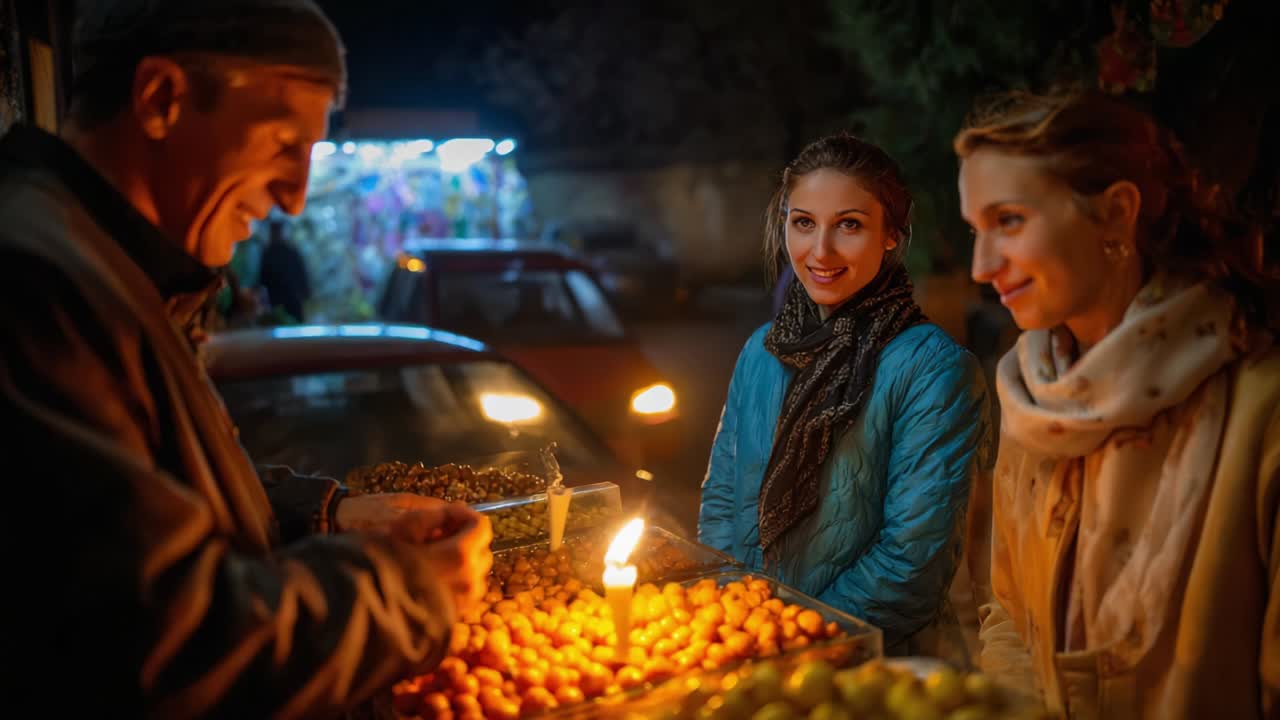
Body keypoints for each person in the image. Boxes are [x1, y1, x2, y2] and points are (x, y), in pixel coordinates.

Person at [0, 2, 491, 717]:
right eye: (283, 142)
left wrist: (323, 518)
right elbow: (158, 648)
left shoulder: (113, 274)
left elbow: (136, 504)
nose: (294, 198)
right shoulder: (40, 286)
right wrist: (405, 590)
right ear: (161, 99)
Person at [956, 90, 1279, 718]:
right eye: (976, 230)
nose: (980, 266)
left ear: (1116, 214)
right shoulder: (1030, 399)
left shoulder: (1259, 413)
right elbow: (1010, 625)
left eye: (1010, 221)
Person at [698, 133, 993, 656]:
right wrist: (734, 623)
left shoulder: (933, 368)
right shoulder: (761, 352)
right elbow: (722, 500)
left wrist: (793, 639)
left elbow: (911, 563)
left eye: (849, 225)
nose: (820, 251)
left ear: (891, 236)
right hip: (748, 652)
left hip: (874, 666)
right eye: (804, 222)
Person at [259, 218, 312, 323]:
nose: (277, 234)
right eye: (275, 231)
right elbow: (263, 277)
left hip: (292, 298)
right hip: (277, 300)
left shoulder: (289, 251)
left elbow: (301, 273)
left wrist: (305, 291)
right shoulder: (268, 253)